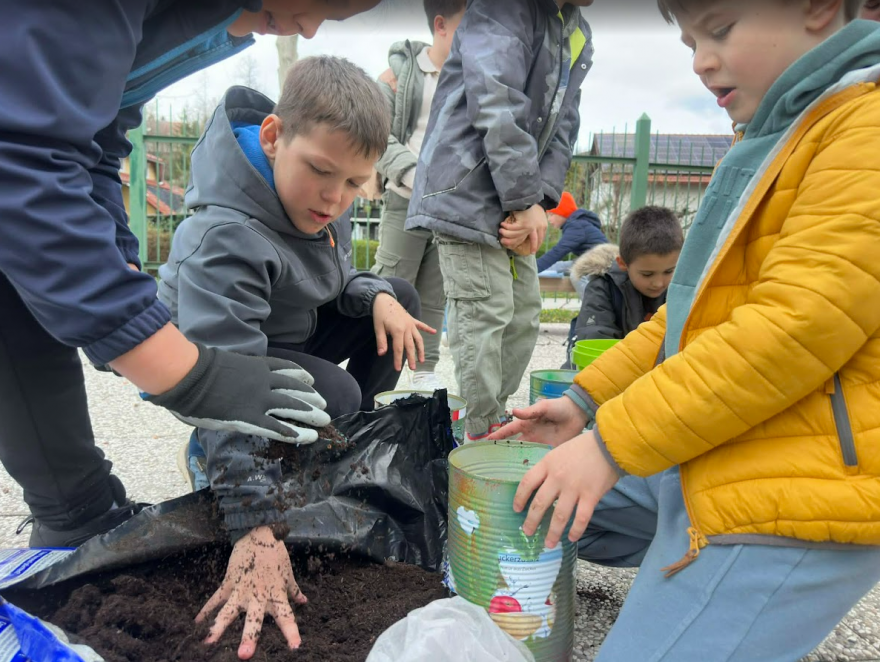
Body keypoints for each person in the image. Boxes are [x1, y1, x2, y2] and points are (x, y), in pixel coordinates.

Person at [0, 2, 390, 659]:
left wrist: (117, 249)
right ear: (274, 138)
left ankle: (79, 518)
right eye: (326, 1)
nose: (313, 28)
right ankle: (77, 519)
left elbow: (94, 137)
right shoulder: (229, 234)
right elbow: (21, 162)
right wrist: (184, 373)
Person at [492, 1, 880, 660]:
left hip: (800, 481)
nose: (700, 59)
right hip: (731, 436)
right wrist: (585, 402)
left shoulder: (862, 133)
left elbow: (791, 330)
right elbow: (691, 314)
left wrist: (611, 444)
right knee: (532, 498)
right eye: (689, 39)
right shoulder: (778, 136)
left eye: (721, 29)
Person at [160, 55, 430, 537]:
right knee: (336, 394)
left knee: (398, 298)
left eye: (352, 182)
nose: (335, 197)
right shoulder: (225, 235)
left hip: (286, 335)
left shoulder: (319, 197)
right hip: (211, 362)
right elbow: (225, 366)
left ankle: (344, 446)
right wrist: (250, 514)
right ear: (272, 136)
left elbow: (336, 277)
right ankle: (206, 454)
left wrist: (375, 296)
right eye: (321, 171)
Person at [406, 0, 596, 441]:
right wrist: (524, 197)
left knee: (524, 312)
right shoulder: (504, 7)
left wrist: (539, 203)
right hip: (467, 190)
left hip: (516, 199)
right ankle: (480, 428)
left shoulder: (575, 28)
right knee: (486, 310)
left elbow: (564, 123)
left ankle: (494, 419)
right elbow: (496, 99)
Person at [370, 0, 466, 391]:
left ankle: (424, 373)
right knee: (392, 280)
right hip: (404, 196)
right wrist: (412, 173)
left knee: (433, 291)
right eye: (468, 27)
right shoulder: (402, 73)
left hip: (449, 204)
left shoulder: (473, 77)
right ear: (440, 25)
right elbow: (380, 135)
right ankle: (375, 368)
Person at [573, 205, 682, 341]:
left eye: (669, 271)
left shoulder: (685, 291)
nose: (658, 283)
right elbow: (595, 340)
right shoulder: (602, 288)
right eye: (647, 274)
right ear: (623, 263)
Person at [536, 191, 608, 274]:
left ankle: (591, 288)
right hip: (597, 261)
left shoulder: (577, 226)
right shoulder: (576, 224)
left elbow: (558, 251)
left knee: (575, 274)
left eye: (551, 215)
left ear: (563, 213)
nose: (549, 220)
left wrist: (535, 268)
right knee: (558, 266)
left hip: (601, 263)